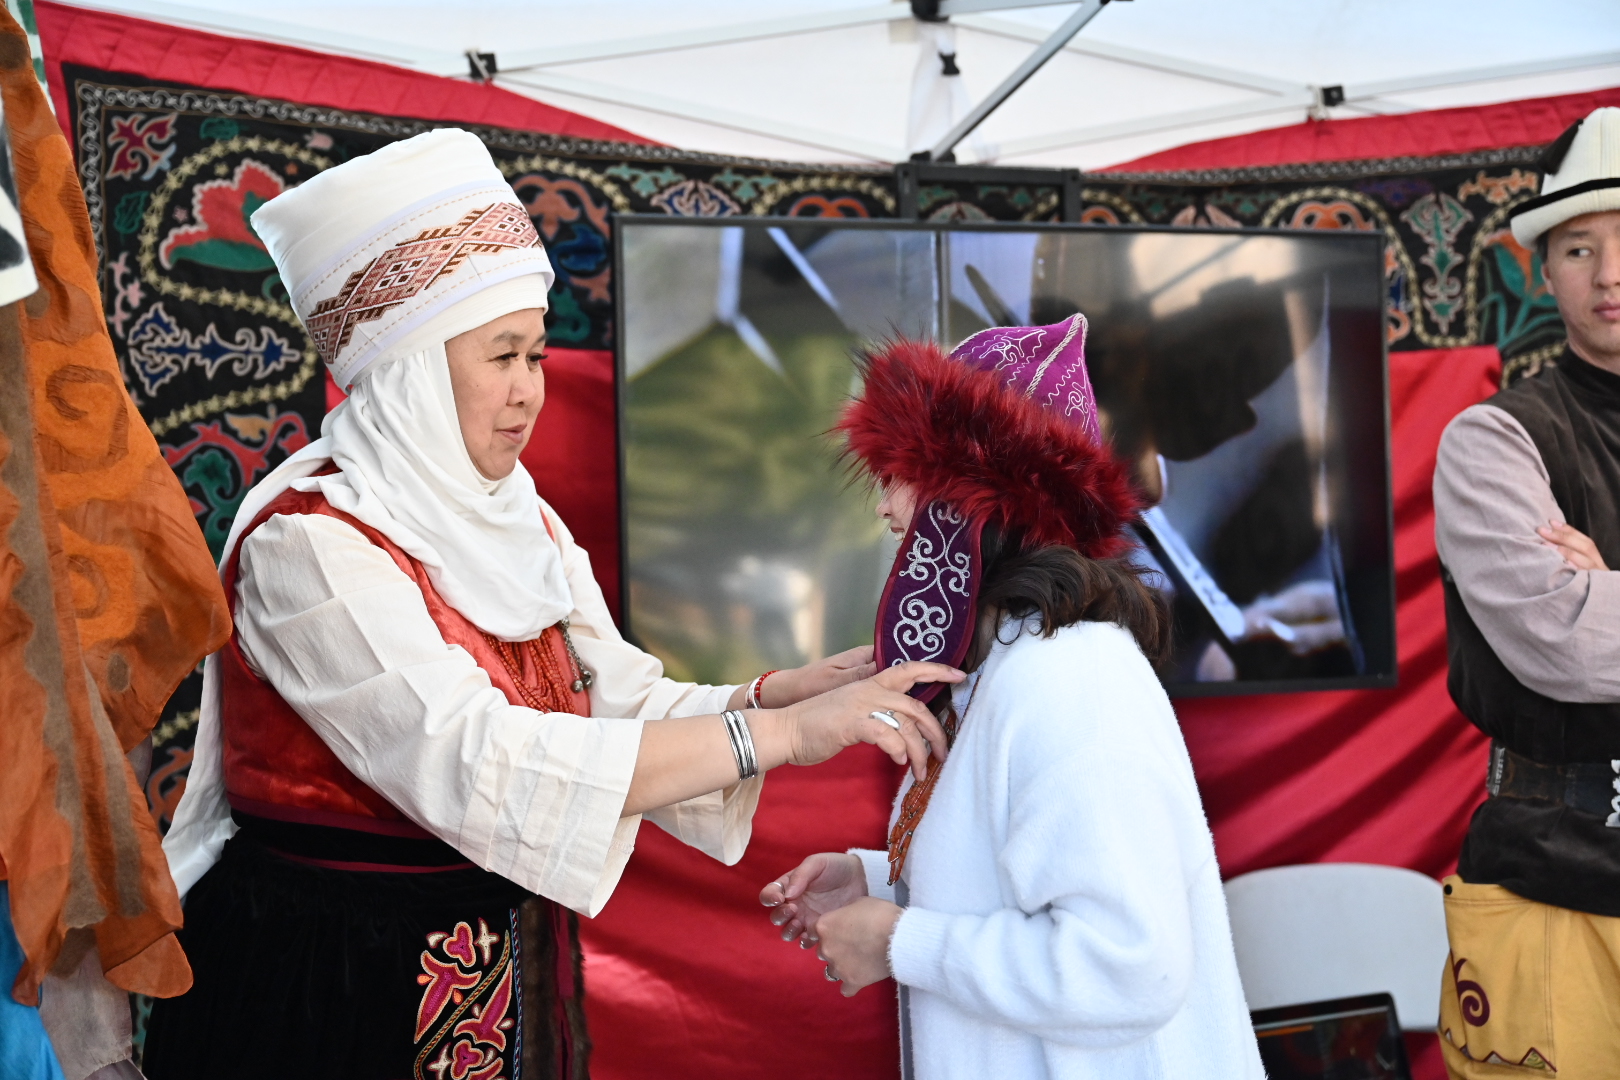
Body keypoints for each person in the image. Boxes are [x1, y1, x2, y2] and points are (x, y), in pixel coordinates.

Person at [141, 129, 958, 1080]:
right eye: (502, 357)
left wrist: (772, 698)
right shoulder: (307, 543)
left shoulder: (515, 514)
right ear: (408, 369)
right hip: (323, 981)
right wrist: (777, 736)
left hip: (480, 960)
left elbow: (606, 700)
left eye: (535, 355)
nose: (528, 391)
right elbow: (472, 756)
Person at [758, 318, 1264, 1079]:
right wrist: (880, 880)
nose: (885, 510)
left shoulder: (1071, 679)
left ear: (975, 496)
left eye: (901, 473)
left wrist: (899, 940)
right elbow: (1020, 883)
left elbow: (1128, 964)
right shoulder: (1011, 668)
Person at [1432, 106, 1620, 1078]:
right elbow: (1565, 643)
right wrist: (1582, 604)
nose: (1611, 275)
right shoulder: (1495, 440)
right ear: (1544, 271)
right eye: (1580, 248)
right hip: (1554, 875)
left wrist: (1607, 585)